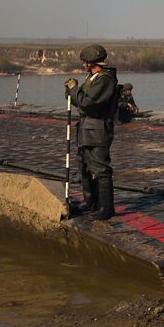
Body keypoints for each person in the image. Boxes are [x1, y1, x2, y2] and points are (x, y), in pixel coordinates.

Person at [65, 44, 120, 221]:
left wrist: (75, 91)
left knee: (101, 169)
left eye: (85, 62)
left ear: (90, 62)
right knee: (85, 167)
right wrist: (71, 93)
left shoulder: (105, 80)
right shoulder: (93, 78)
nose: (83, 65)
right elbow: (81, 102)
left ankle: (106, 208)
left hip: (97, 130)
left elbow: (88, 103)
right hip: (85, 128)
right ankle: (90, 203)